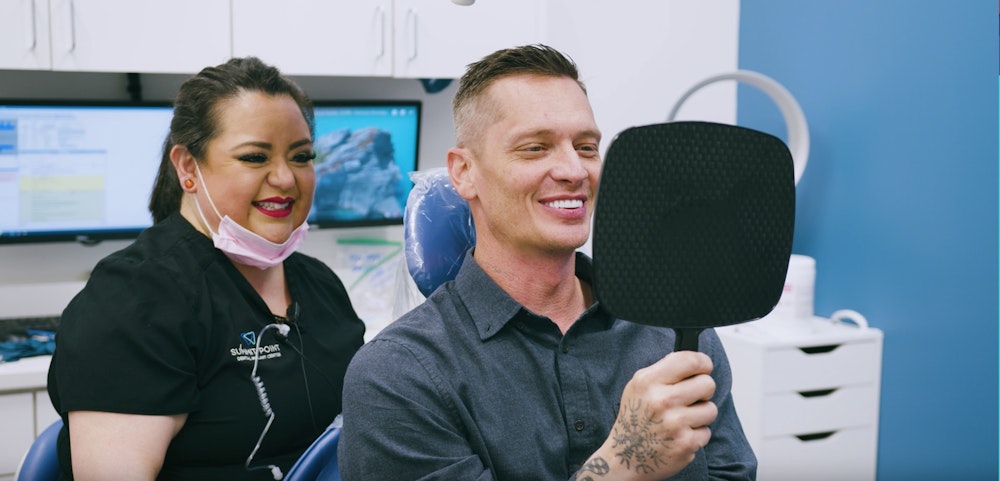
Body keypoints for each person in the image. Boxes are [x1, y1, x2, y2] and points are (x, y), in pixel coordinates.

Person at [338, 44, 757, 481]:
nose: (575, 170)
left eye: (587, 147)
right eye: (536, 148)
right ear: (463, 171)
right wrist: (622, 464)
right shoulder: (397, 376)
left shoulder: (679, 334)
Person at [47, 57, 366, 480]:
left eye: (302, 156)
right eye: (255, 157)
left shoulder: (319, 283)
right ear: (187, 167)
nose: (286, 179)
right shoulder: (134, 299)